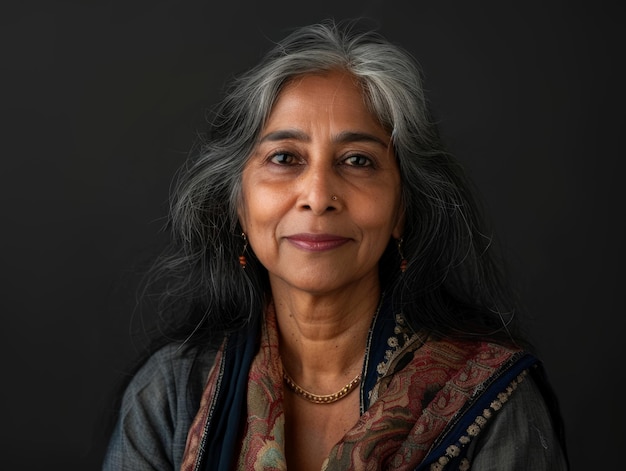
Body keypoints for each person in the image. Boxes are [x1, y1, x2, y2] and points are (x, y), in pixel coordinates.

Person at [103, 19, 569, 470]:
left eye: (358, 161)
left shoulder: (494, 404)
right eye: (285, 158)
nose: (319, 196)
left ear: (401, 210)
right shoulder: (170, 395)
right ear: (238, 205)